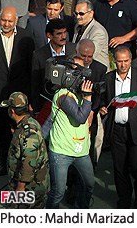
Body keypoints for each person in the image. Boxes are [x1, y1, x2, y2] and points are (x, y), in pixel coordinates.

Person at [100, 46, 137, 209]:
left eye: (126, 61)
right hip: (117, 130)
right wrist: (103, 108)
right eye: (120, 61)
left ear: (131, 60)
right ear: (115, 62)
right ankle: (124, 199)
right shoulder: (109, 78)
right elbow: (104, 99)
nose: (123, 65)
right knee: (120, 168)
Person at [0, 7, 34, 176]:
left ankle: (22, 167)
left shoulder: (26, 38)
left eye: (10, 21)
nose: (6, 24)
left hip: (20, 94)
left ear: (16, 20)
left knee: (21, 130)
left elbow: (30, 68)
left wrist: (29, 96)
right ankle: (5, 164)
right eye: (3, 20)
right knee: (1, 131)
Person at [45, 73, 95, 209]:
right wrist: (87, 97)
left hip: (81, 150)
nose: (82, 79)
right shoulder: (63, 95)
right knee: (58, 192)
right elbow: (80, 117)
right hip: (61, 151)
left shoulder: (80, 94)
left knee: (88, 185)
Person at [1, 92, 49, 208]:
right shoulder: (28, 123)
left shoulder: (28, 133)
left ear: (12, 111)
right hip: (26, 184)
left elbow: (28, 163)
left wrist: (20, 189)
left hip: (30, 188)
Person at [30, 18, 76, 113]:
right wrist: (36, 107)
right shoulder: (39, 55)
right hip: (48, 104)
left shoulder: (74, 50)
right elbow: (35, 83)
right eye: (59, 34)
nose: (63, 36)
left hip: (71, 103)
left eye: (65, 32)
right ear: (49, 35)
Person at [72, 0, 109, 68]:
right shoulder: (77, 26)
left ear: (91, 13)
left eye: (81, 14)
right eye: (76, 13)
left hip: (96, 70)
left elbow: (90, 55)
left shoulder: (98, 32)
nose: (78, 17)